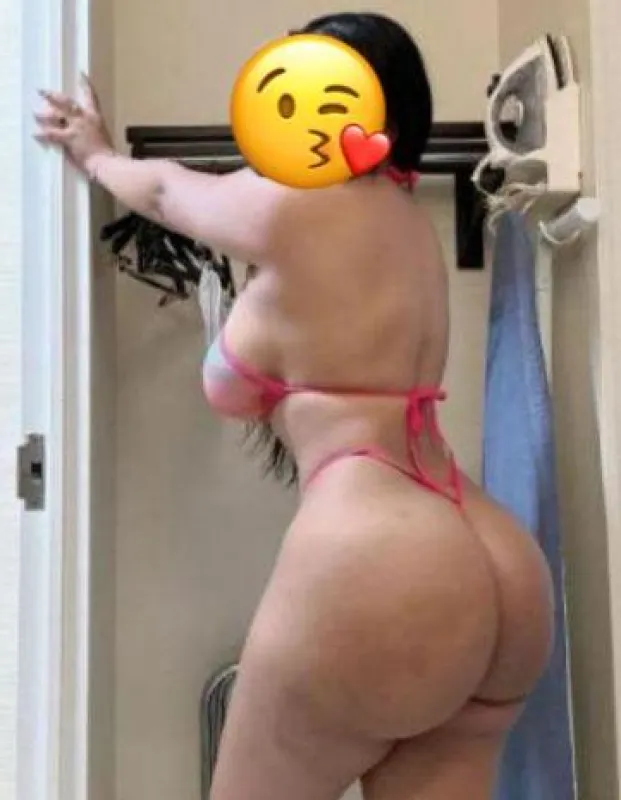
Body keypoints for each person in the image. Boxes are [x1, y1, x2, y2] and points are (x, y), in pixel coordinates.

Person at [35, 12, 554, 800]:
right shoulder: (405, 224)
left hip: (383, 559)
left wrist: (98, 154)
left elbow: (167, 190)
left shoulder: (297, 200)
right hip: (494, 559)